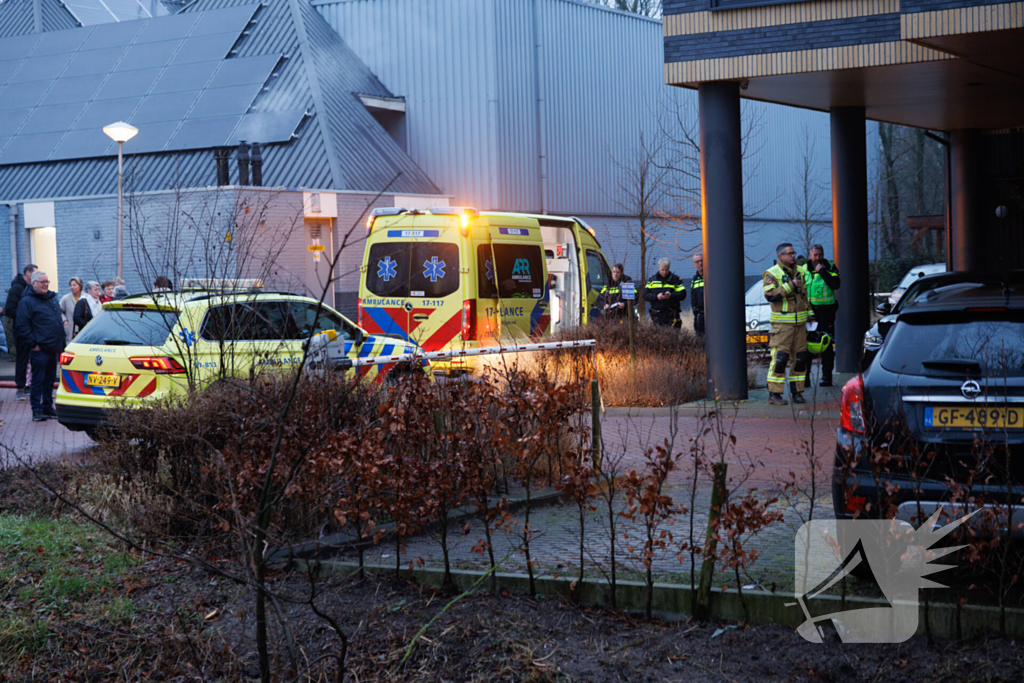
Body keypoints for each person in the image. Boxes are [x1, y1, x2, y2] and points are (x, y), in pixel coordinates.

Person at [763, 243, 811, 405]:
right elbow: (770, 295)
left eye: (793, 253)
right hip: (782, 327)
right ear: (780, 256)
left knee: (800, 359)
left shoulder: (800, 272)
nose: (793, 256)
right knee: (780, 359)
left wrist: (810, 314)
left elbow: (804, 296)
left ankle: (797, 392)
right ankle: (774, 394)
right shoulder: (772, 273)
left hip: (800, 326)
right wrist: (790, 286)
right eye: (789, 253)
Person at [14, 271, 65, 422]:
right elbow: (22, 325)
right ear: (33, 283)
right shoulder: (27, 301)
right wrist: (33, 344)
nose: (45, 285)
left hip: (53, 347)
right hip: (40, 349)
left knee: (49, 379)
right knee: (38, 380)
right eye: (42, 282)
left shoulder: (51, 298)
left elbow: (57, 320)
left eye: (47, 282)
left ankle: (47, 406)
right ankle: (36, 409)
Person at [802, 244, 841, 386]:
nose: (818, 258)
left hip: (826, 312)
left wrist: (823, 272)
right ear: (810, 255)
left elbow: (836, 284)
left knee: (826, 344)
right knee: (806, 345)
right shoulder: (803, 269)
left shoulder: (830, 267)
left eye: (820, 254)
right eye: (815, 255)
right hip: (809, 314)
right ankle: (805, 377)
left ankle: (826, 376)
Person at [4, 263, 37, 400]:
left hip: (32, 329)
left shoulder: (31, 288)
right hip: (21, 330)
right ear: (28, 273)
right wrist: (25, 316)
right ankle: (20, 387)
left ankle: (30, 385)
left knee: (33, 359)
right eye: (35, 272)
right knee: (22, 358)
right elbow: (9, 310)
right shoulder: (17, 289)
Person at [643, 258, 686, 328]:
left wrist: (671, 295)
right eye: (662, 270)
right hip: (657, 317)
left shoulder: (675, 280)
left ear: (669, 268)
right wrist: (656, 297)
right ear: (658, 267)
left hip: (671, 316)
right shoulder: (652, 280)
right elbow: (645, 295)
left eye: (666, 270)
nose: (664, 272)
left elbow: (683, 294)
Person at [59, 277, 83, 345]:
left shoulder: (86, 297)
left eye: (74, 285)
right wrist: (64, 320)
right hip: (70, 328)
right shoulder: (65, 298)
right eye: (71, 285)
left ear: (80, 286)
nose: (72, 287)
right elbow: (59, 311)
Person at [690, 253, 705, 337]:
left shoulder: (711, 276)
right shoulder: (694, 279)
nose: (700, 263)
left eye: (701, 260)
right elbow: (693, 297)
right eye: (697, 261)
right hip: (700, 315)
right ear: (694, 264)